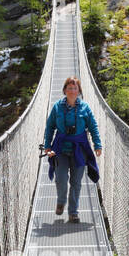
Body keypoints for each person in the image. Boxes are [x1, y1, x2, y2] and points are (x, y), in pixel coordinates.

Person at [43, 76, 102, 221]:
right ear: (64, 90)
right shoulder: (57, 107)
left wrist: (97, 144)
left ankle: (73, 212)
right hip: (60, 148)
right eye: (69, 88)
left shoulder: (85, 108)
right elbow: (50, 127)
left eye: (75, 88)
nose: (72, 90)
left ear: (79, 91)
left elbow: (93, 127)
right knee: (61, 179)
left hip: (79, 149)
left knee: (76, 182)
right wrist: (47, 146)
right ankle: (61, 201)